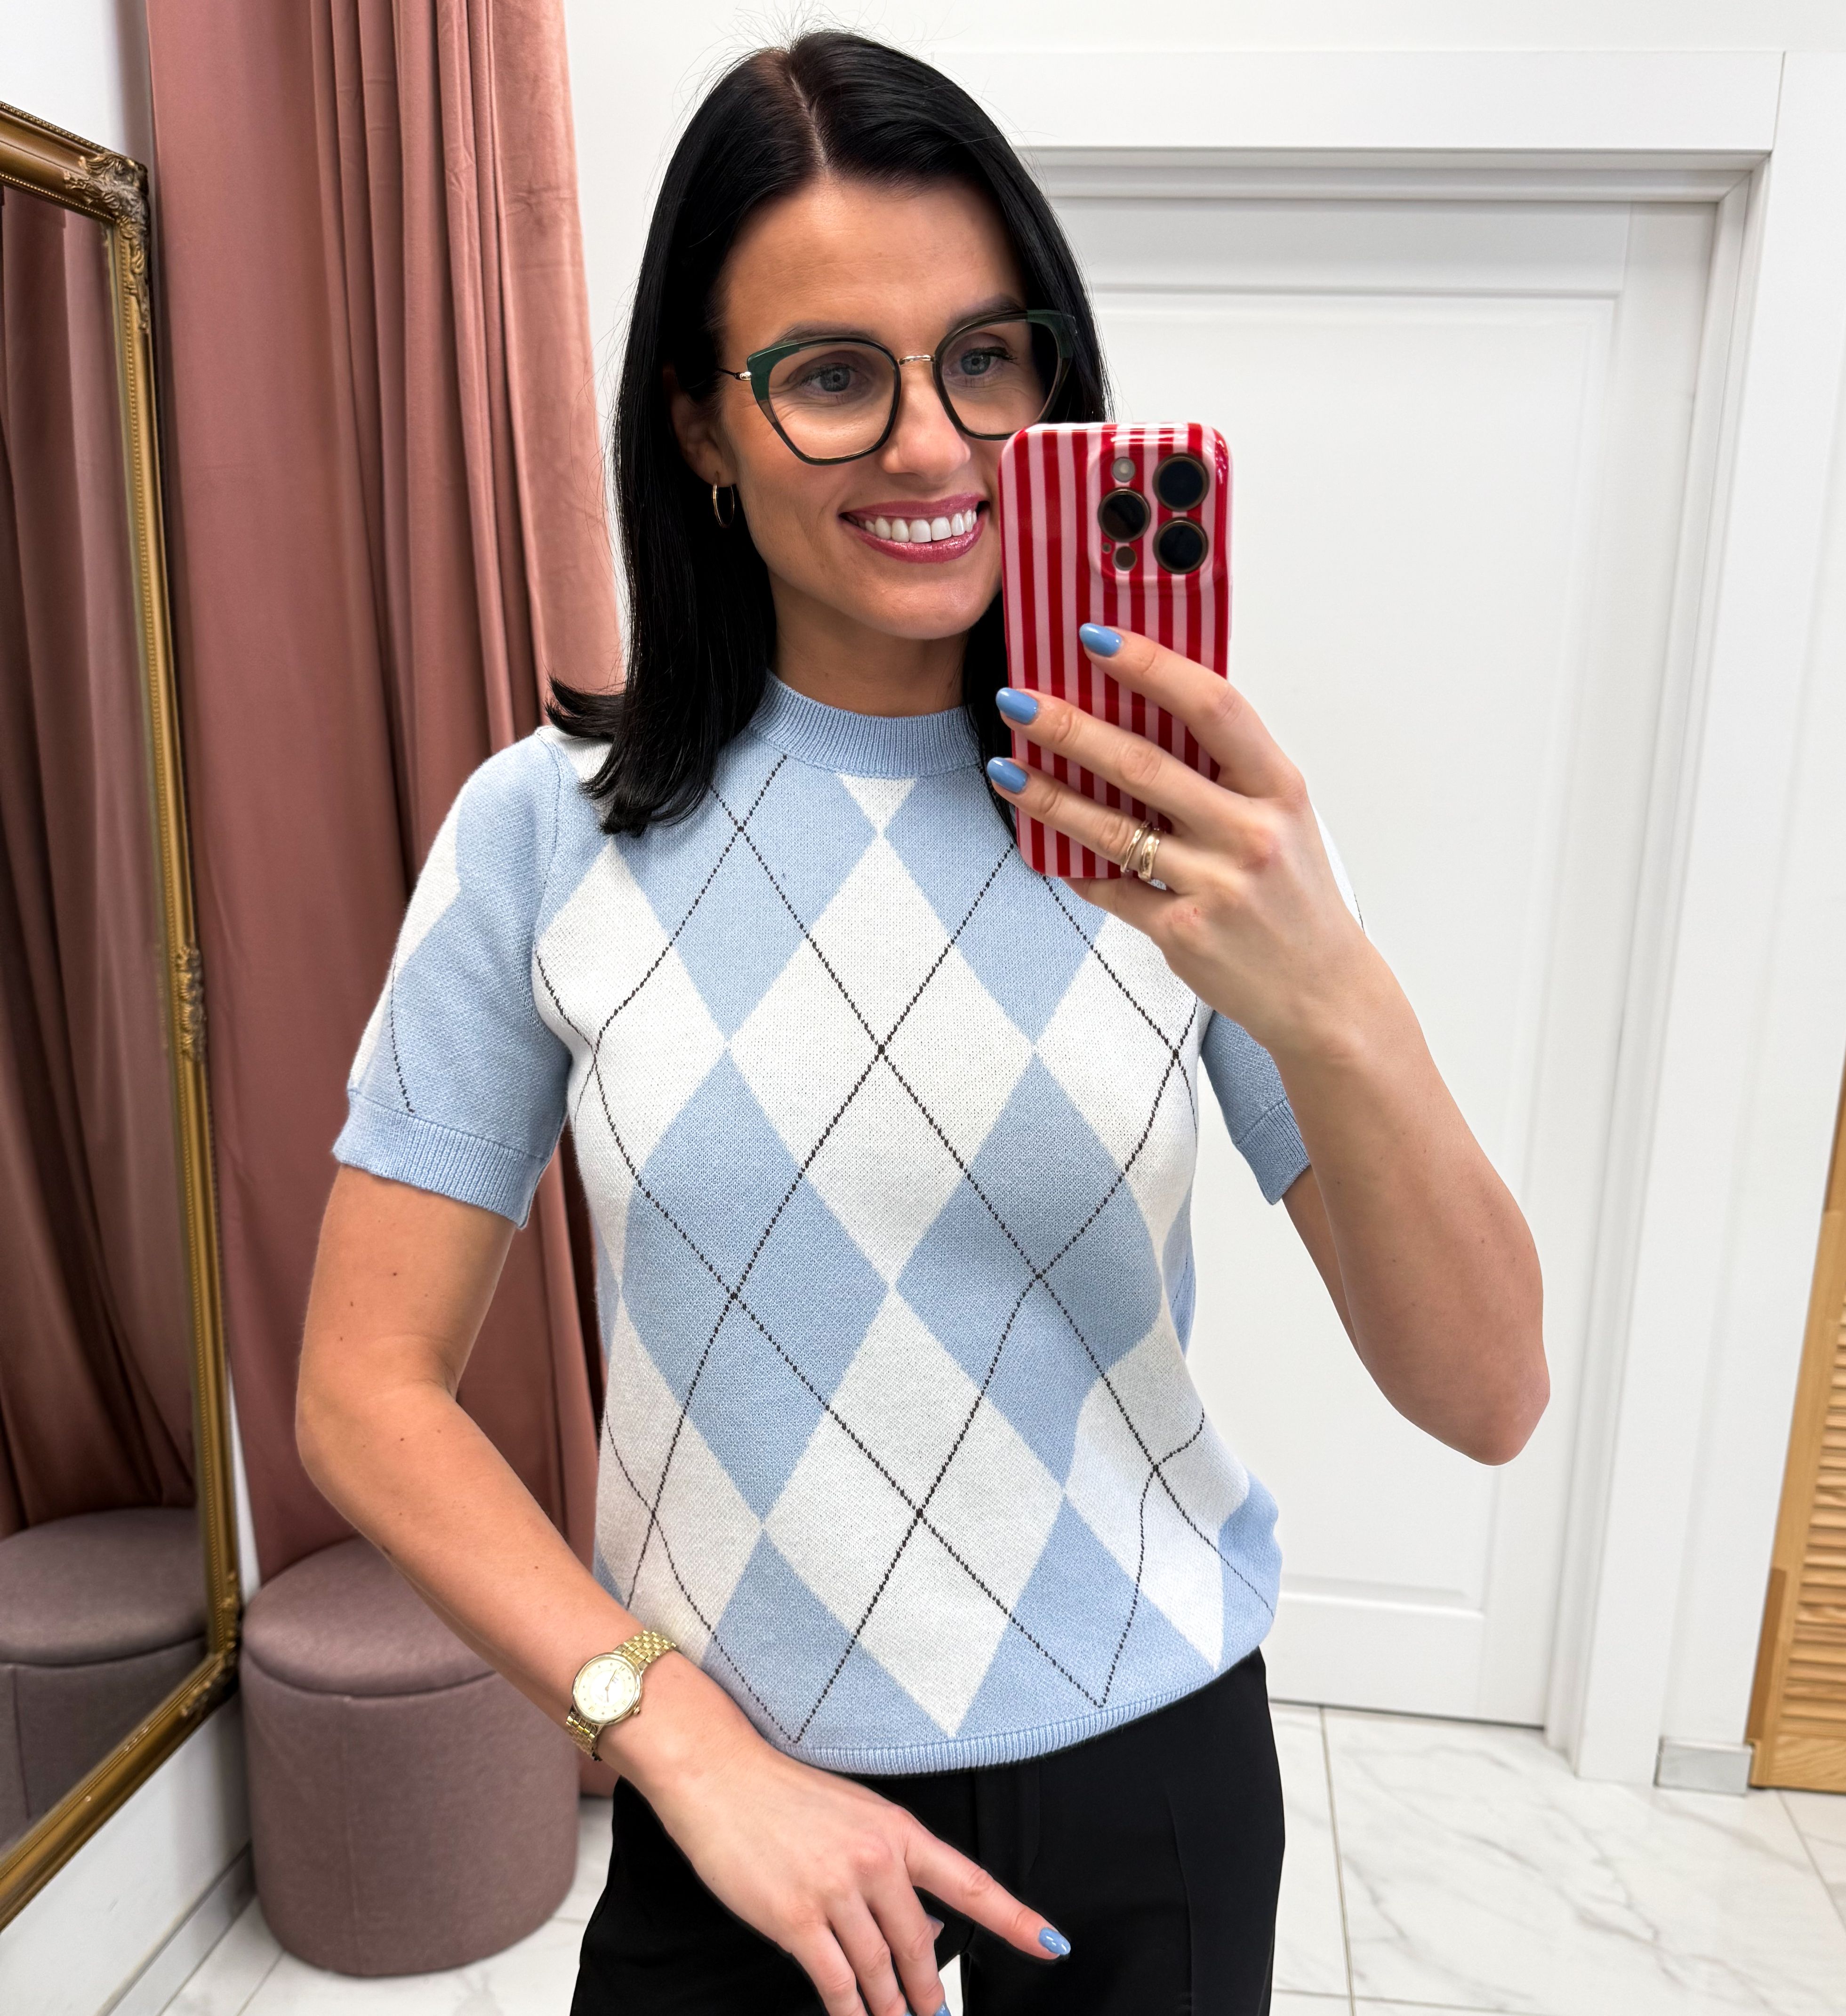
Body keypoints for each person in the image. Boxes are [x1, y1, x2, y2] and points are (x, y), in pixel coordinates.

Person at [297, 30, 1547, 2016]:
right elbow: (365, 1388)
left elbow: (1485, 1394)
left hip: (1148, 1780)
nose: (933, 446)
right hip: (738, 1796)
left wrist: (1334, 992)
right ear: (701, 427)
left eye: (986, 355)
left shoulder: (1184, 823)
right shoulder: (544, 836)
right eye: (830, 376)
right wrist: (673, 1740)